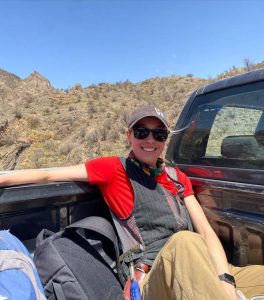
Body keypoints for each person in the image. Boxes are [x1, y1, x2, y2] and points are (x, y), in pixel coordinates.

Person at [0, 104, 263, 300]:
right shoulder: (114, 169)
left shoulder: (176, 177)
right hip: (154, 278)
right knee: (184, 241)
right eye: (142, 132)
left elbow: (206, 232)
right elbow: (48, 174)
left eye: (158, 134)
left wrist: (225, 277)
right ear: (129, 136)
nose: (150, 140)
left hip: (206, 265)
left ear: (165, 139)